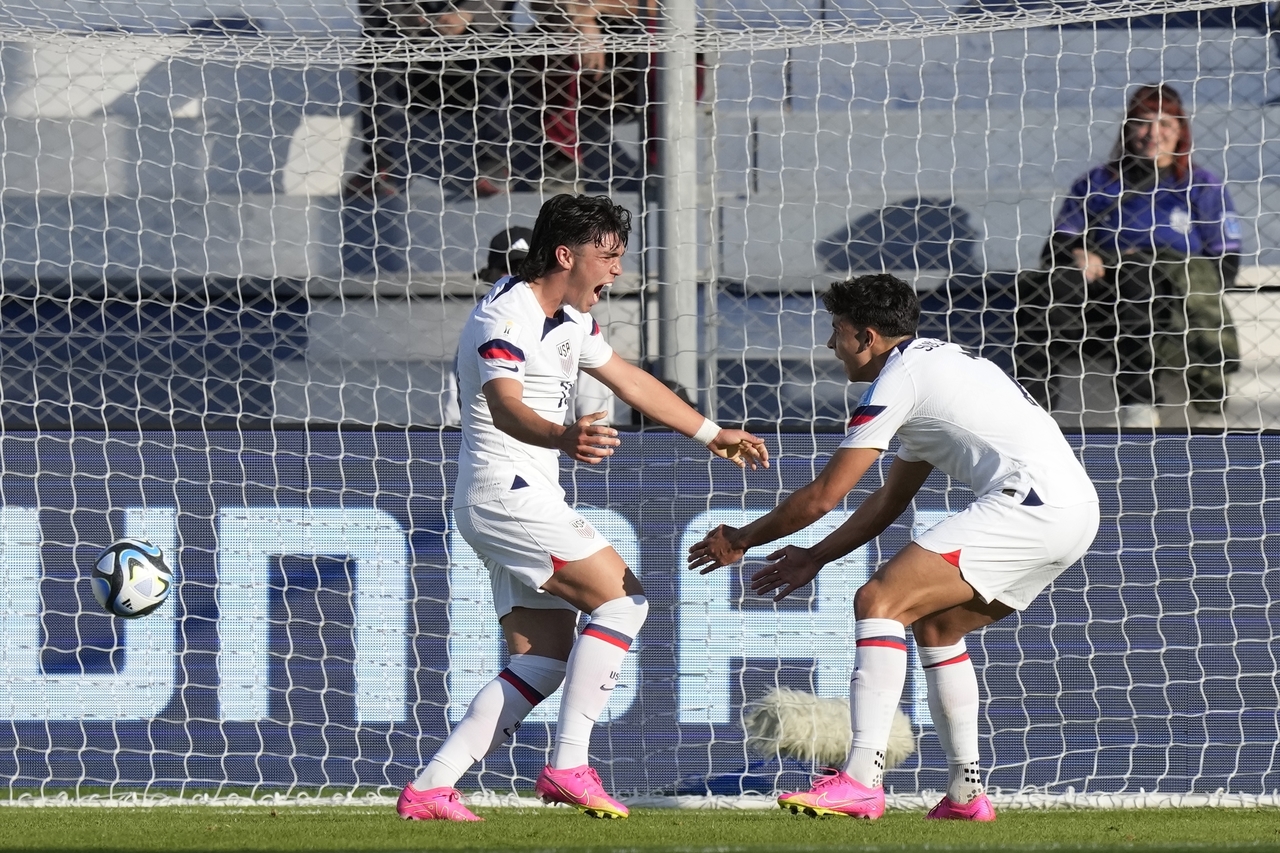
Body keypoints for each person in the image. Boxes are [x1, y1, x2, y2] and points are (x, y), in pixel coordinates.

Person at [398, 194, 769, 822]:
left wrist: (712, 434)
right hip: (506, 491)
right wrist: (562, 436)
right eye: (609, 256)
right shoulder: (505, 316)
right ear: (566, 255)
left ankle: (431, 788)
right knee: (624, 602)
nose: (617, 270)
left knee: (542, 661)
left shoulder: (571, 318)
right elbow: (505, 405)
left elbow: (630, 379)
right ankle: (569, 766)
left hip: (521, 494)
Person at [688, 273, 1099, 822]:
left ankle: (861, 780)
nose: (830, 344)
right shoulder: (939, 365)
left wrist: (741, 538)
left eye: (837, 331)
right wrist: (815, 557)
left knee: (878, 600)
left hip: (1030, 506)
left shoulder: (899, 379)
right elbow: (890, 499)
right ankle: (966, 796)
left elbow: (824, 496)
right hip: (1074, 513)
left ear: (867, 336)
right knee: (938, 627)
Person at [1014, 83, 1243, 428]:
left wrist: (1160, 265)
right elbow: (1056, 245)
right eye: (1143, 122)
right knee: (1047, 288)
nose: (1153, 133)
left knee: (1137, 273)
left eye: (1165, 123)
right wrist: (1078, 253)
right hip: (1098, 298)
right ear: (1127, 128)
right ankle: (1031, 409)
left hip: (1163, 300)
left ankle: (1139, 406)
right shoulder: (1097, 182)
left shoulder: (1202, 185)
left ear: (1181, 131)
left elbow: (1225, 263)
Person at [346, 0, 510, 202]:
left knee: (500, 44)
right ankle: (383, 159)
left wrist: (468, 13)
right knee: (375, 43)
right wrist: (405, 16)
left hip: (475, 25)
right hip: (404, 24)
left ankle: (494, 159)